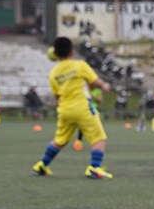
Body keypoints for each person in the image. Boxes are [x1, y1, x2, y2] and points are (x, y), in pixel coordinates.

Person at [32, 36, 113, 179]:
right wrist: (105, 86)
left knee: (59, 140)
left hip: (64, 110)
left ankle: (42, 165)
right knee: (99, 138)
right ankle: (94, 168)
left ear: (56, 54)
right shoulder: (80, 65)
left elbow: (57, 96)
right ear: (72, 51)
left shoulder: (53, 73)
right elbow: (95, 81)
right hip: (82, 107)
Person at [74, 85, 102, 151]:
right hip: (84, 108)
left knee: (96, 124)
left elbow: (99, 100)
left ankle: (96, 141)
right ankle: (79, 141)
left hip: (93, 109)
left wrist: (93, 97)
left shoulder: (97, 90)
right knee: (82, 125)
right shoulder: (84, 89)